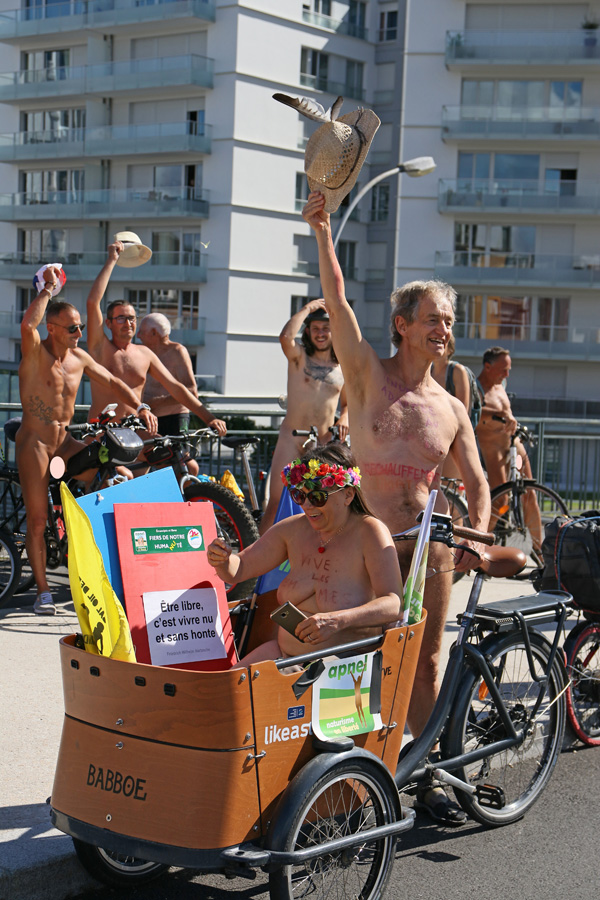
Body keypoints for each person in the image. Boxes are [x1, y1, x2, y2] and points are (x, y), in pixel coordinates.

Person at [302, 190, 490, 826]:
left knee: (424, 664)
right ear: (403, 324)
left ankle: (429, 778)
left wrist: (478, 536)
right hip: (366, 545)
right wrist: (323, 229)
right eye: (433, 318)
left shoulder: (452, 406)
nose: (445, 329)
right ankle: (345, 786)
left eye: (450, 321)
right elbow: (338, 300)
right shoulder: (366, 375)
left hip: (431, 548)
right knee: (354, 659)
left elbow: (478, 481)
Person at [17, 268, 157, 615]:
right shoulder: (35, 352)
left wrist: (141, 406)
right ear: (52, 328)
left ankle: (103, 562)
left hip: (64, 442)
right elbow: (27, 325)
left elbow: (113, 380)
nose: (80, 333)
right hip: (35, 444)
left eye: (80, 326)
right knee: (37, 520)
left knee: (112, 475)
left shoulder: (79, 358)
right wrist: (48, 289)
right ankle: (43, 591)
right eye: (72, 328)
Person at [207, 443, 402, 664]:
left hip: (344, 665)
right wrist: (222, 559)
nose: (307, 505)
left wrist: (337, 620)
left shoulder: (370, 531)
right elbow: (239, 568)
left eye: (318, 497)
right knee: (226, 685)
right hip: (285, 655)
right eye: (299, 495)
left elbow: (394, 604)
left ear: (348, 495)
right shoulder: (292, 529)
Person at [85, 241, 227, 437]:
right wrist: (112, 260)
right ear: (108, 323)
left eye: (132, 318)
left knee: (176, 456)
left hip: (134, 432)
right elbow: (93, 303)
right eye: (121, 318)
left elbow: (176, 388)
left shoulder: (145, 354)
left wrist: (209, 418)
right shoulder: (100, 348)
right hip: (103, 433)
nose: (128, 323)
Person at [260, 299, 348, 534]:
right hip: (292, 438)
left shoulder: (342, 366)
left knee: (322, 504)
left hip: (322, 441)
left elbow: (348, 404)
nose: (321, 333)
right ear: (308, 331)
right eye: (315, 328)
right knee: (276, 502)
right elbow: (285, 338)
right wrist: (307, 308)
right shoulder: (299, 357)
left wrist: (344, 418)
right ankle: (257, 554)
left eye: (326, 328)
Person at [476, 346, 543, 555]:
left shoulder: (501, 385)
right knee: (501, 501)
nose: (506, 374)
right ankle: (478, 546)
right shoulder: (476, 389)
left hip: (515, 448)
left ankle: (540, 551)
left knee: (529, 494)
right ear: (488, 367)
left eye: (508, 370)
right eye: (503, 369)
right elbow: (471, 410)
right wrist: (499, 414)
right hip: (493, 450)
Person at [138, 312, 200, 475]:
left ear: (154, 333)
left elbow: (192, 391)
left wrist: (155, 402)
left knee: (185, 466)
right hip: (149, 419)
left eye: (141, 332)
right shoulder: (143, 353)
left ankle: (185, 491)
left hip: (174, 418)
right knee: (145, 463)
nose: (138, 336)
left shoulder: (177, 351)